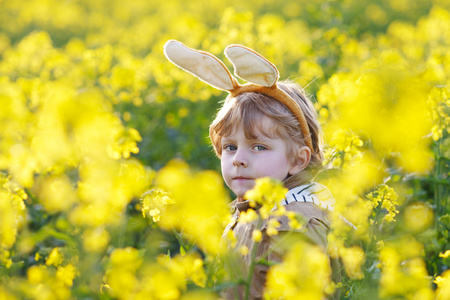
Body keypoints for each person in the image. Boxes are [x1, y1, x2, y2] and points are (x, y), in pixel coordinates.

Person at [163, 40, 339, 299]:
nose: (239, 159)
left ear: (298, 160)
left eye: (258, 147)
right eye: (230, 147)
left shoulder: (292, 224)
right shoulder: (253, 207)